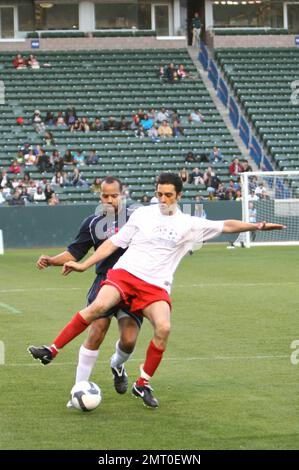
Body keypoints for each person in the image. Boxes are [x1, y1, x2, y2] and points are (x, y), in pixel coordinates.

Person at [28, 173, 284, 409]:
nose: (162, 199)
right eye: (159, 193)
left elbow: (226, 225)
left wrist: (258, 226)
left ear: (179, 196)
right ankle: (52, 350)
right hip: (124, 275)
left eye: (168, 194)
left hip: (154, 286)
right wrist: (84, 265)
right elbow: (113, 243)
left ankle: (142, 383)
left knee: (162, 328)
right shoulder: (142, 215)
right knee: (97, 309)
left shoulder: (190, 223)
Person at [32, 176, 142, 406]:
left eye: (114, 195)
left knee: (129, 341)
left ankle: (117, 364)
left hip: (133, 284)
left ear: (123, 194)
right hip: (104, 282)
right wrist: (51, 260)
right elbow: (74, 253)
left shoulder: (138, 218)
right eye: (105, 195)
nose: (110, 200)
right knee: (97, 331)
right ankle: (77, 391)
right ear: (99, 195)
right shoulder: (92, 223)